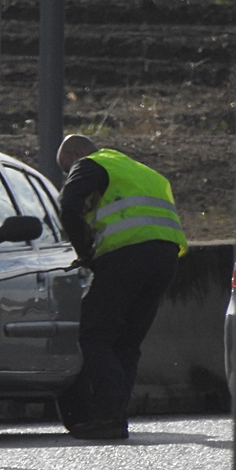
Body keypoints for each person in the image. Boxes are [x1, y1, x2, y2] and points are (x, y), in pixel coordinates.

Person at [55, 134, 188, 440]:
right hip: (166, 258)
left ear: (76, 152)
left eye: (66, 168)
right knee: (127, 342)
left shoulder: (89, 164)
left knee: (96, 334)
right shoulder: (146, 172)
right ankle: (114, 416)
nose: (68, 173)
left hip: (126, 255)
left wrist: (85, 253)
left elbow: (68, 206)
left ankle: (106, 417)